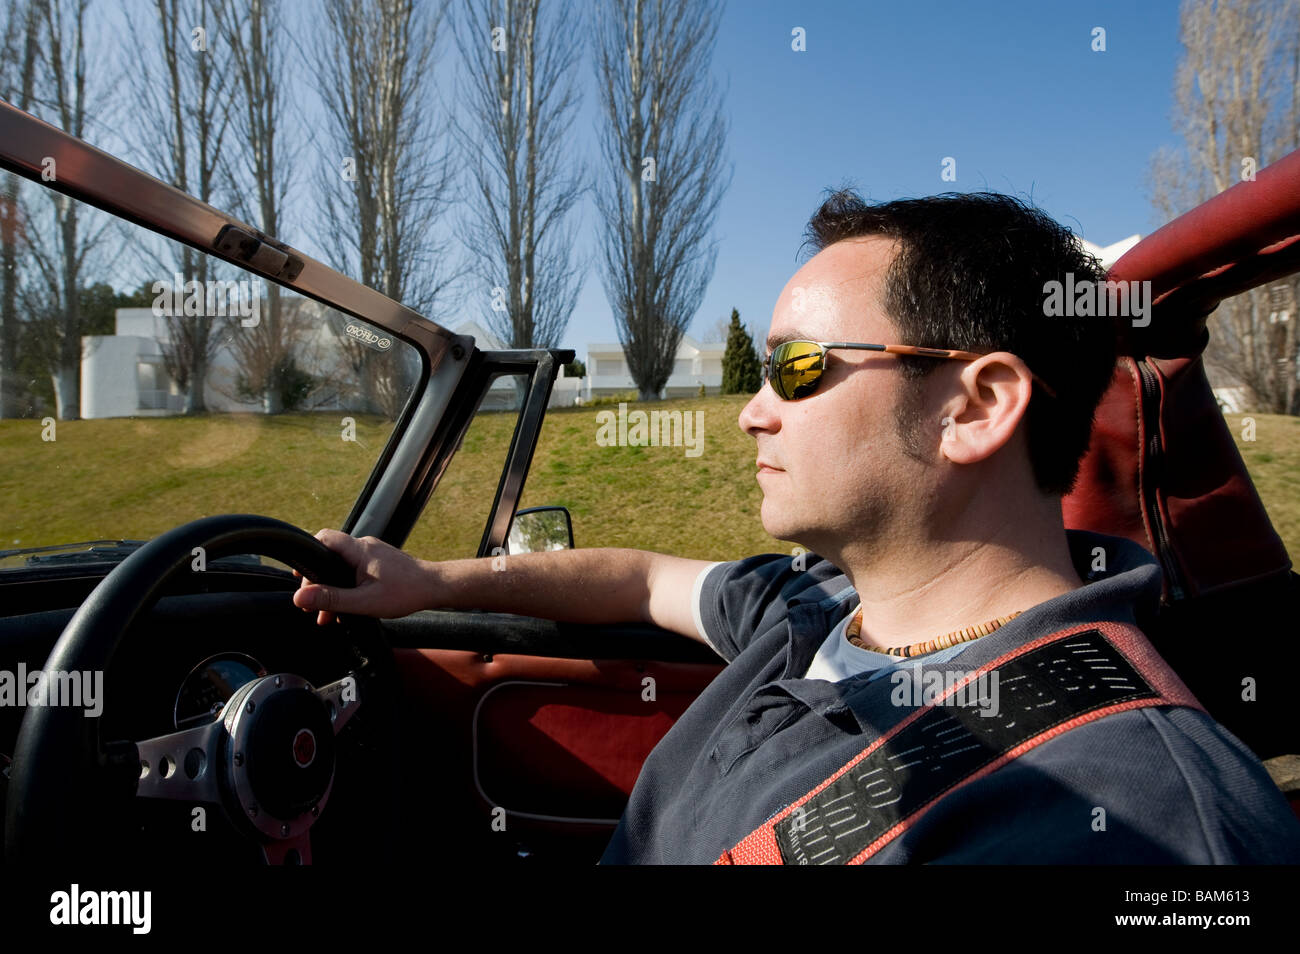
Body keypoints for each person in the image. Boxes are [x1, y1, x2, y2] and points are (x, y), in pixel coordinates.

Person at [294, 190, 1300, 864]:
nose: (751, 408)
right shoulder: (818, 599)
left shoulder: (1131, 818)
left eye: (800, 369)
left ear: (975, 407)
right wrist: (427, 585)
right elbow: (641, 580)